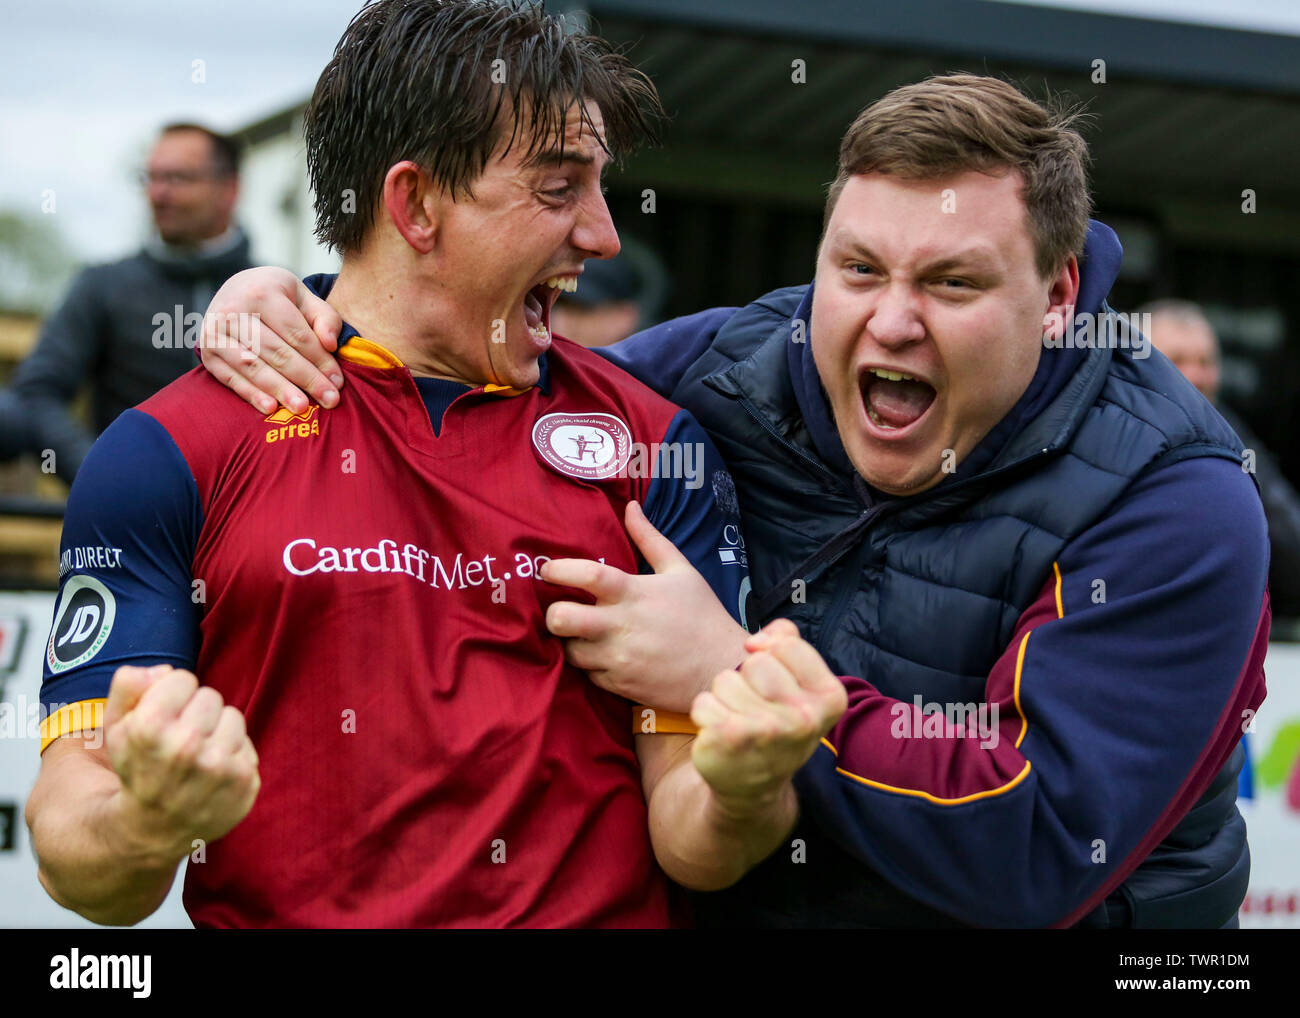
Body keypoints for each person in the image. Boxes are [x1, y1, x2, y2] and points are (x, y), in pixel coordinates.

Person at [204, 72, 1270, 929]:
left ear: (1057, 295)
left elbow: (1038, 842)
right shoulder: (723, 365)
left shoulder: (1176, 494)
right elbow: (480, 370)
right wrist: (305, 305)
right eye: (857, 269)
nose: (890, 322)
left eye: (951, 283)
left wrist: (726, 671)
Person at [24, 0, 847, 929]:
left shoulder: (657, 448)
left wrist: (746, 786)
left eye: (601, 187)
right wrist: (144, 820)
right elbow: (73, 851)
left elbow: (692, 845)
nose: (606, 236)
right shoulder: (170, 449)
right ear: (414, 205)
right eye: (557, 188)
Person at [0, 123, 253, 483]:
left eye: (178, 178)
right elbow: (37, 394)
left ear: (229, 189)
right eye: (151, 177)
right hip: (131, 526)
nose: (158, 193)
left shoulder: (272, 290)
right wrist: (102, 479)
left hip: (244, 518)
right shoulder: (103, 285)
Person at [1143, 298, 1300, 619]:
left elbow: (1289, 540)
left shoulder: (1230, 435)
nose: (1196, 375)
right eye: (1177, 359)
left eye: (1205, 361)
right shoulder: (1103, 432)